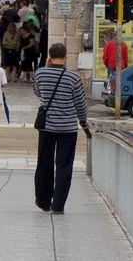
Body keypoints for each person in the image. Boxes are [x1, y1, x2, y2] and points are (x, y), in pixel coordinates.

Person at [34, 43, 91, 214]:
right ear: (66, 56)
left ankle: (43, 201)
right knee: (64, 166)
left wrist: (45, 67)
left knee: (44, 163)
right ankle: (58, 205)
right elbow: (81, 104)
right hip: (67, 128)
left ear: (49, 56)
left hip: (47, 126)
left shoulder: (40, 73)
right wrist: (83, 122)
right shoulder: (73, 78)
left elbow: (37, 92)